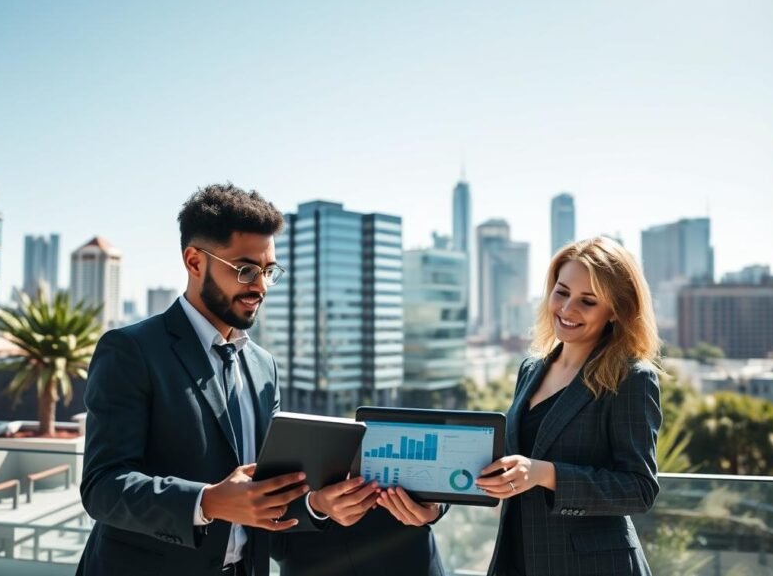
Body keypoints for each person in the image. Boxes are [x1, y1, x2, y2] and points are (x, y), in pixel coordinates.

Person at [77, 184, 368, 576]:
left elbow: (265, 490)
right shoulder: (131, 350)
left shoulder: (264, 366)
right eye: (245, 270)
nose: (260, 287)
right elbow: (103, 487)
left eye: (268, 272)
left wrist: (318, 505)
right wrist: (207, 501)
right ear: (195, 262)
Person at [476, 237, 662, 576]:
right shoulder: (531, 368)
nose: (567, 309)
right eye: (561, 293)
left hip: (594, 567)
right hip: (518, 557)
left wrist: (546, 474)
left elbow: (640, 489)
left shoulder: (631, 377)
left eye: (587, 301)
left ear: (615, 310)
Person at [271, 485, 448, 575]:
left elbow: (450, 445)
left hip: (406, 559)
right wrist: (313, 504)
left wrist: (438, 501)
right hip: (308, 558)